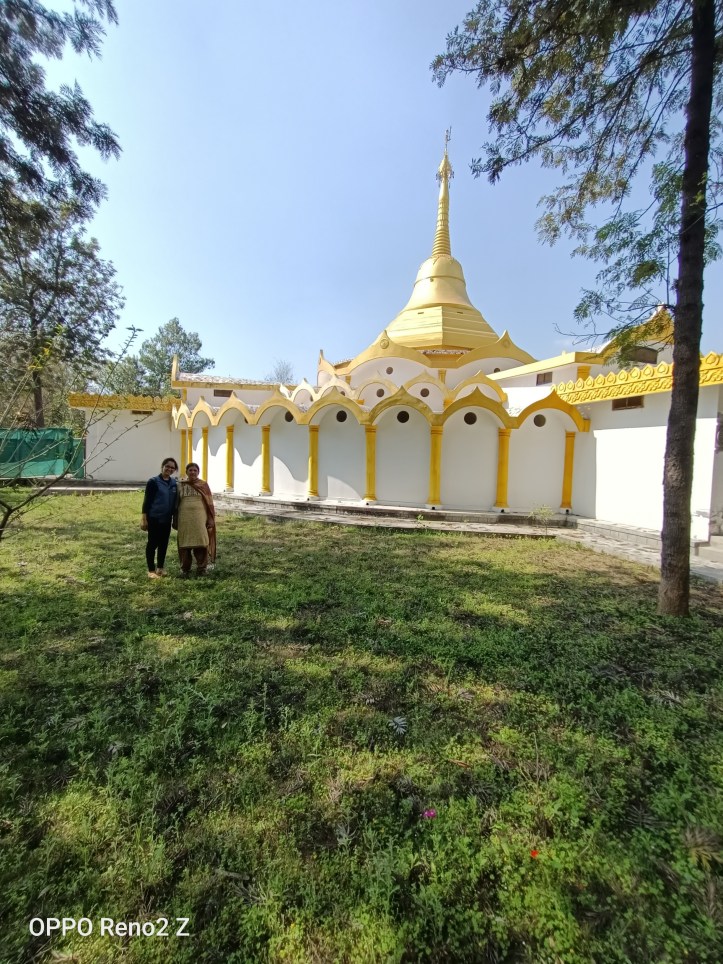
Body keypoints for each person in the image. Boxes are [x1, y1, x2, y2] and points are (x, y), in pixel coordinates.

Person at [176, 462, 216, 576]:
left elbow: (209, 503)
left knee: (201, 543)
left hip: (200, 518)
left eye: (195, 470)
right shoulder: (180, 485)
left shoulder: (203, 485)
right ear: (187, 472)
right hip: (184, 519)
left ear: (198, 472)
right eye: (190, 470)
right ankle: (185, 569)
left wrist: (210, 518)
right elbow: (175, 504)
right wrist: (175, 519)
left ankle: (202, 569)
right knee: (184, 543)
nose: (192, 472)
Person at [140, 457, 178, 579]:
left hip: (167, 519)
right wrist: (144, 518)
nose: (169, 469)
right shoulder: (153, 482)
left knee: (164, 544)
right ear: (162, 466)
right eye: (167, 466)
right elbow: (147, 502)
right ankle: (151, 570)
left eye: (172, 468)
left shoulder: (173, 483)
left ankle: (160, 568)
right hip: (154, 518)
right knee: (152, 544)